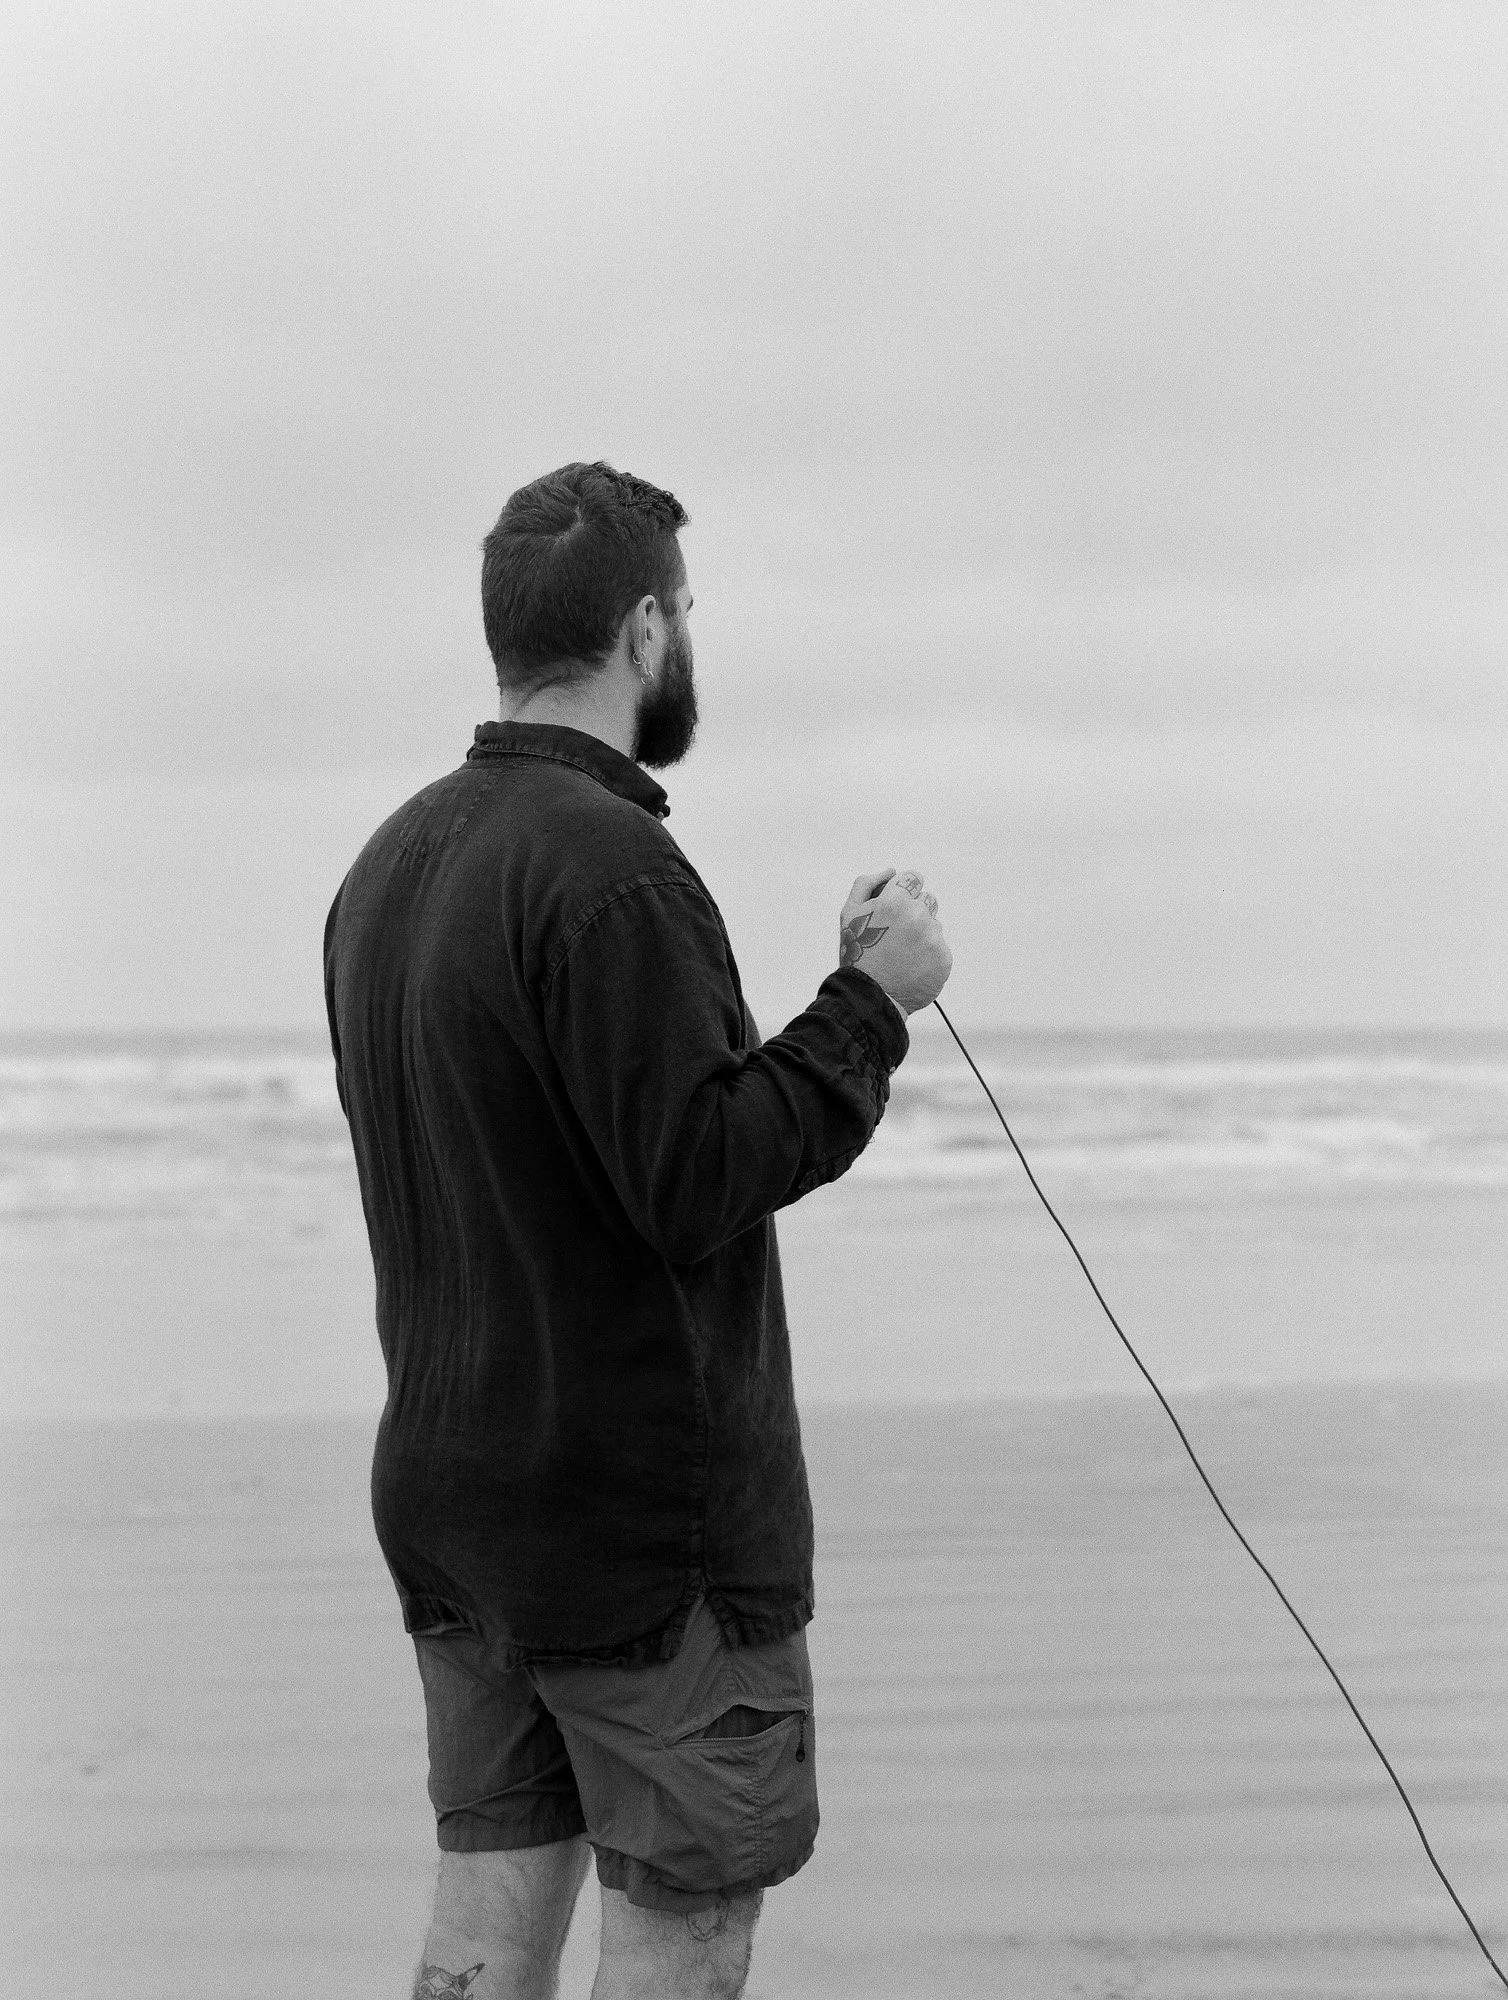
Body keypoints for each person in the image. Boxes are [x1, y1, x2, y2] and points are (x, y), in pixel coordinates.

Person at [323, 462, 952, 2000]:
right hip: (635, 1539)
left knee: (486, 1925)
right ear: (647, 628)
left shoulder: (384, 870)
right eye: (690, 615)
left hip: (459, 1498)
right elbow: (695, 1174)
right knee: (687, 1925)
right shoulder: (614, 870)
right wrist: (873, 1003)